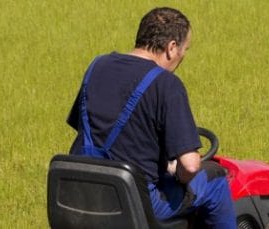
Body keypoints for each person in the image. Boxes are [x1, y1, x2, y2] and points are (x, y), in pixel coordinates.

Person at [66, 7, 236, 228]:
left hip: (80, 190)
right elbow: (191, 166)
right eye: (185, 49)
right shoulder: (166, 84)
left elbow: (91, 128)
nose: (183, 56)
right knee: (215, 181)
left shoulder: (97, 66)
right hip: (133, 199)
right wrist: (178, 173)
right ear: (172, 48)